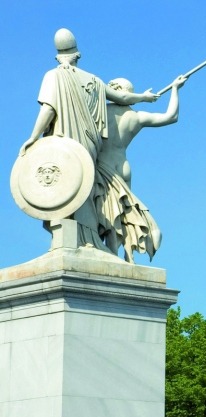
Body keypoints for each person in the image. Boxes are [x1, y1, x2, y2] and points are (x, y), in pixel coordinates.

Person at [19, 28, 159, 251]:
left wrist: (33, 137)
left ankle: (70, 241)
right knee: (85, 188)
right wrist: (144, 97)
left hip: (64, 142)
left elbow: (48, 110)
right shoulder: (93, 80)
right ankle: (89, 238)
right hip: (88, 145)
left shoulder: (53, 76)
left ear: (58, 56)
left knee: (65, 186)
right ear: (77, 55)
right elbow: (122, 97)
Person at [94, 75, 186, 261]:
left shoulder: (100, 112)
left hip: (104, 166)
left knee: (110, 214)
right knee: (124, 213)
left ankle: (113, 256)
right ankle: (128, 257)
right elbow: (171, 117)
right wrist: (175, 89)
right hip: (123, 166)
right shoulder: (136, 117)